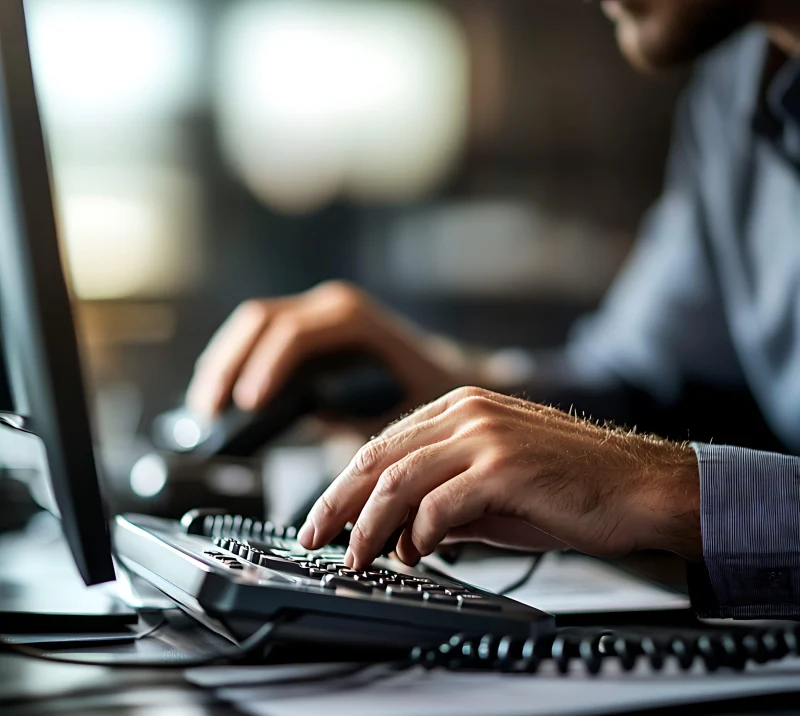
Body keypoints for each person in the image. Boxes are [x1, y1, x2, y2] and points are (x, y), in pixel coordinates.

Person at [187, 0, 800, 620]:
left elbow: (634, 464)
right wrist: (451, 393)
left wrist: (674, 494)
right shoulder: (734, 87)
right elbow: (645, 383)